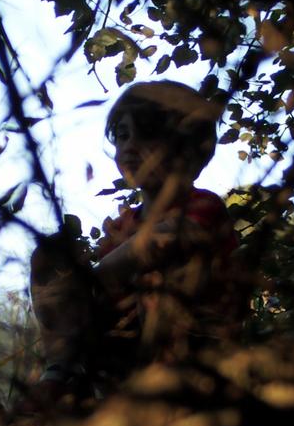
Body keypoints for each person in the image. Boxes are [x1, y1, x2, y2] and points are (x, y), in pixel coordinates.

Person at [25, 79, 245, 407]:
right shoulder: (126, 223)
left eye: (147, 133)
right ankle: (62, 373)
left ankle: (153, 383)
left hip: (196, 352)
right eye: (122, 135)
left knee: (153, 273)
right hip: (122, 353)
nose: (130, 146)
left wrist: (95, 277)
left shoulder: (203, 206)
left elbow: (166, 240)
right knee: (51, 254)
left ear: (188, 147)